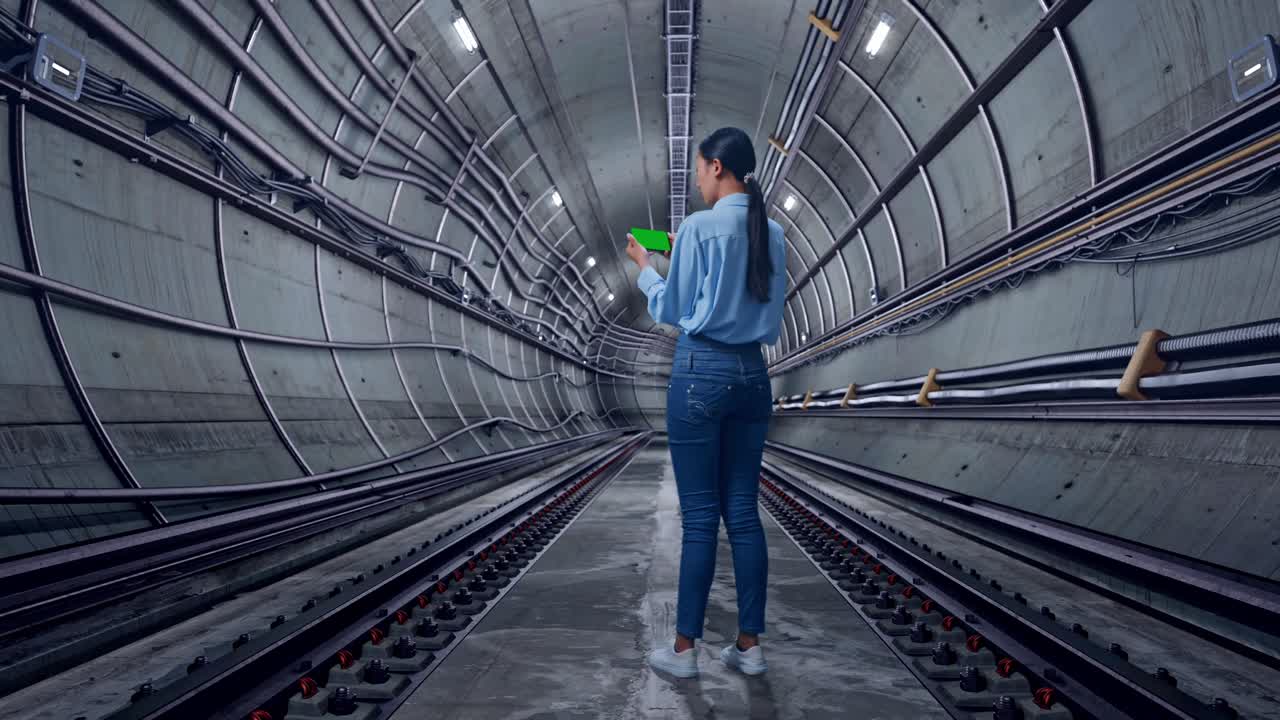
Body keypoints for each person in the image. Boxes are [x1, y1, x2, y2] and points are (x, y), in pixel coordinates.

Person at [624, 127, 787, 678]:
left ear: (717, 167)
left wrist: (646, 270)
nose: (696, 179)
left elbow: (673, 306)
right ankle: (748, 646)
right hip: (752, 376)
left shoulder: (698, 229)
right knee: (742, 512)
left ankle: (684, 651)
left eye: (698, 169)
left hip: (700, 372)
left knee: (699, 519)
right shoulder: (775, 232)